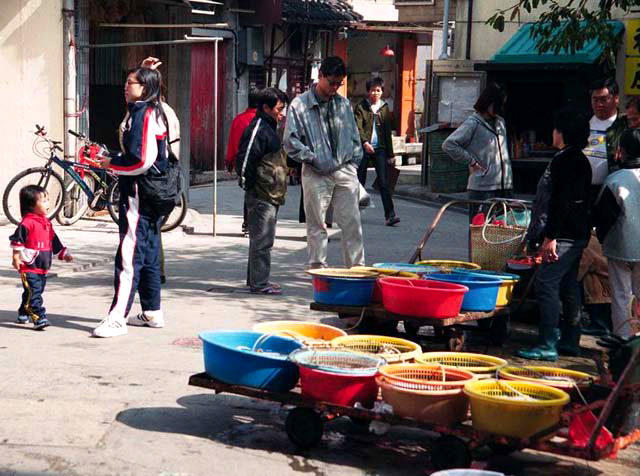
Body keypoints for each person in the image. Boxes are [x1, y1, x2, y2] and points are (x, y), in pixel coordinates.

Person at [93, 67, 170, 338]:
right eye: (125, 82)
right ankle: (152, 311)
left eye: (131, 83)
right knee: (148, 254)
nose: (125, 86)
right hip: (150, 195)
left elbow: (141, 160)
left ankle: (117, 318)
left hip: (140, 194)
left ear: (145, 88)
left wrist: (112, 163)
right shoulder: (145, 110)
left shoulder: (146, 114)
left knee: (129, 256)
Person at [518, 107, 592, 361]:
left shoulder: (566, 160)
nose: (552, 133)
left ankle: (548, 343)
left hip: (565, 235)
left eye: (555, 129)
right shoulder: (577, 159)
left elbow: (561, 202)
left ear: (563, 132)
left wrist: (550, 237)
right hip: (575, 233)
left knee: (546, 283)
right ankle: (571, 340)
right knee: (569, 286)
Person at [283, 56, 365, 269]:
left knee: (352, 223)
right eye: (331, 82)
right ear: (320, 76)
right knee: (317, 224)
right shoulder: (300, 105)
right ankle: (318, 267)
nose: (335, 87)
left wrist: (354, 163)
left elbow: (355, 136)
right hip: (315, 172)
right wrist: (313, 158)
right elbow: (290, 141)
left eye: (339, 83)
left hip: (345, 170)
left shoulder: (344, 104)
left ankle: (356, 270)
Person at [236, 88, 289, 294]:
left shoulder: (269, 126)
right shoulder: (258, 128)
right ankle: (260, 283)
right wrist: (250, 187)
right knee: (263, 240)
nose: (282, 112)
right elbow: (245, 159)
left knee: (261, 239)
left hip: (270, 193)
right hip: (261, 194)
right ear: (266, 108)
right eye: (279, 108)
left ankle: (257, 280)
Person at [593, 128, 640, 339]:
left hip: (620, 245)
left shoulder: (615, 179)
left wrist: (603, 240)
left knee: (621, 295)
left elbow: (602, 218)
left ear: (621, 151)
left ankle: (623, 341)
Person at [441, 82, 513, 221]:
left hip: (504, 185)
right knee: (479, 232)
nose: (500, 108)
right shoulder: (473, 123)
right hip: (482, 188)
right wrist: (472, 162)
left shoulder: (500, 122)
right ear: (489, 103)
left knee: (503, 232)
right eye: (498, 104)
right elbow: (449, 144)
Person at [10, 185, 73, 330]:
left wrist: (64, 254)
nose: (48, 204)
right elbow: (17, 241)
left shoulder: (46, 223)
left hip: (42, 266)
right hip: (29, 266)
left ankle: (23, 312)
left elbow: (54, 241)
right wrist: (16, 258)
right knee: (35, 292)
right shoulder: (27, 223)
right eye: (43, 201)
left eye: (48, 200)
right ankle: (39, 317)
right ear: (31, 205)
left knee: (32, 291)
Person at [354, 77, 399, 226]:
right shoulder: (361, 107)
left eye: (378, 90)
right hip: (364, 148)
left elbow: (387, 132)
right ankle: (354, 214)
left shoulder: (384, 108)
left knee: (384, 183)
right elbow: (357, 127)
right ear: (368, 91)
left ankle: (390, 215)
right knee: (359, 182)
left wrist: (391, 154)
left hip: (380, 149)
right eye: (372, 90)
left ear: (382, 92)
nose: (375, 93)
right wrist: (365, 142)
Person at [226, 89, 259, 236]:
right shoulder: (261, 121)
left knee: (249, 192)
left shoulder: (239, 120)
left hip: (242, 163)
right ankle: (253, 223)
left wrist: (229, 162)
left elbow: (232, 142)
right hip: (259, 163)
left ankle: (248, 223)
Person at [584, 78, 621, 186]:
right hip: (583, 191)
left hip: (612, 191)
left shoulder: (625, 125)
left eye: (604, 100)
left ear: (616, 98)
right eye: (595, 100)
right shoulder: (583, 122)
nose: (599, 104)